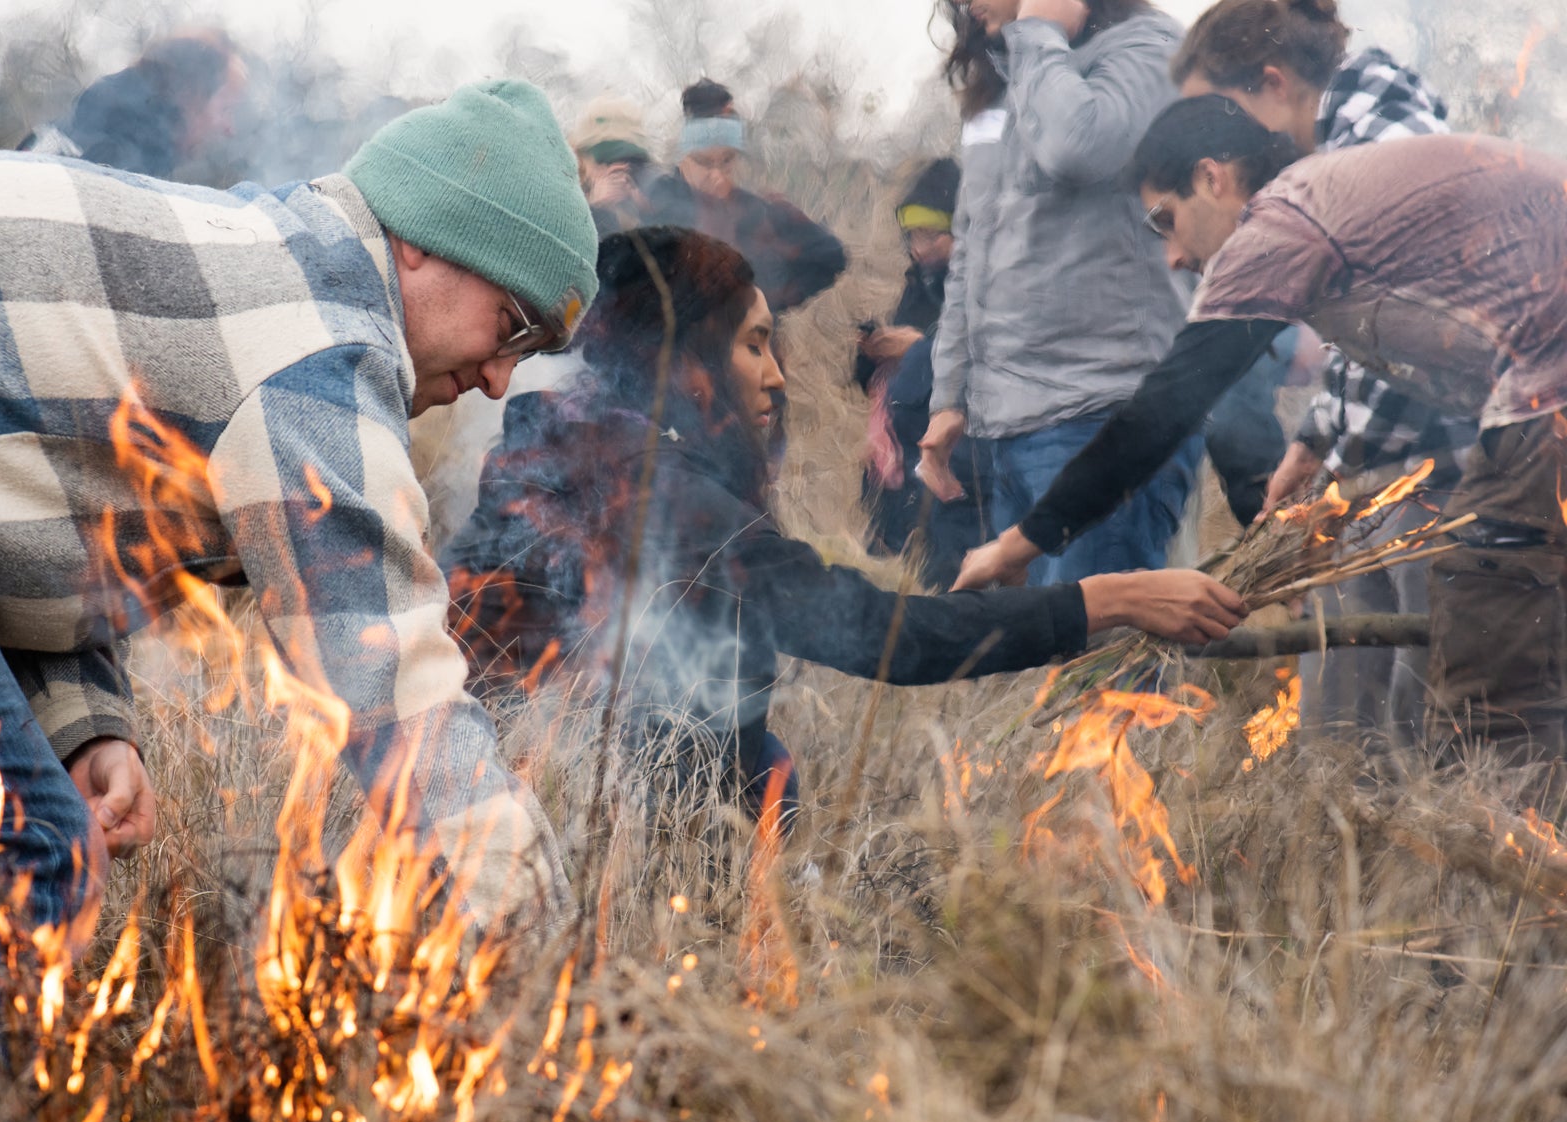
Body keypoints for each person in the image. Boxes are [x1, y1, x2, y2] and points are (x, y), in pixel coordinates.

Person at [0, 79, 594, 1028]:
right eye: (512, 325)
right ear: (425, 238)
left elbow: (1, 495)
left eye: (535, 348)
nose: (503, 379)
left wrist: (84, 723)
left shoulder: (263, 267)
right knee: (3, 856)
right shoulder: (316, 347)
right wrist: (537, 941)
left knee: (8, 843)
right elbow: (388, 681)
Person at [443, 227, 1248, 833]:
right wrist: (1110, 598)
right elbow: (884, 636)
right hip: (570, 817)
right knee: (761, 780)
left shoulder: (566, 442)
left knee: (765, 767)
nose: (777, 374)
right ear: (683, 362)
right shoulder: (666, 499)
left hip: (506, 782)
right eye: (753, 345)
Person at [953, 96, 1567, 760]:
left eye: (1167, 219)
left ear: (1213, 178)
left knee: (1489, 651)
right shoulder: (1328, 201)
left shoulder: (1277, 221)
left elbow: (1161, 413)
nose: (1175, 257)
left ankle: (1511, 846)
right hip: (1543, 384)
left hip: (1547, 390)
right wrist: (1314, 445)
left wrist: (1023, 542)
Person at [1172, 0, 1465, 750]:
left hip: (1449, 473)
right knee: (1339, 721)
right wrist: (1316, 442)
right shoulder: (1331, 153)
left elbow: (1420, 311)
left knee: (1424, 722)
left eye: (1219, 113)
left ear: (1273, 85)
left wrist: (1345, 456)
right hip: (1383, 471)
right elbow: (1367, 336)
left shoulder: (1383, 134)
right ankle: (1343, 859)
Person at [918, 0, 1205, 586]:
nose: (968, 6)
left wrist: (1041, 30)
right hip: (1011, 428)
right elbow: (972, 244)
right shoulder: (1006, 79)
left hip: (1104, 418)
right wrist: (949, 395)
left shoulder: (1148, 49)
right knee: (1041, 663)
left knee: (1097, 666)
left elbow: (1079, 148)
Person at [856, 158, 990, 587]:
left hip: (960, 472)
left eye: (932, 234)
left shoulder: (984, 288)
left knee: (954, 582)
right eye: (912, 235)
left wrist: (916, 348)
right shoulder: (920, 285)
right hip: (906, 474)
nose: (919, 247)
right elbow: (869, 383)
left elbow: (981, 364)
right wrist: (873, 351)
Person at [639, 79, 847, 314]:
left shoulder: (757, 211)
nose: (717, 175)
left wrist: (774, 300)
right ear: (684, 159)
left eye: (727, 160)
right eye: (704, 162)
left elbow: (831, 255)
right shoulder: (656, 204)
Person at [16, 29, 248, 180]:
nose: (230, 129)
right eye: (225, 109)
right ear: (189, 95)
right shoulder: (112, 167)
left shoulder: (91, 136)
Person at [569, 94, 661, 237]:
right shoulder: (564, 201)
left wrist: (648, 212)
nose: (620, 170)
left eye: (632, 162)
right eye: (606, 160)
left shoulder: (651, 192)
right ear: (582, 159)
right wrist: (596, 209)